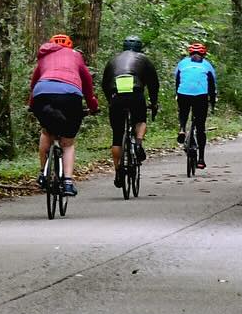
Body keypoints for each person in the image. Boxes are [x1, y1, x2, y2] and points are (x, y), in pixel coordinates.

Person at [27, 33, 98, 197]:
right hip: (70, 95)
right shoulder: (75, 55)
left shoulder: (44, 56)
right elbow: (86, 80)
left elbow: (34, 82)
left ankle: (43, 174)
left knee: (46, 131)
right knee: (67, 143)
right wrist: (92, 105)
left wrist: (33, 105)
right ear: (70, 45)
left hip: (42, 93)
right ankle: (67, 182)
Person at [101, 35, 160, 188]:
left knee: (117, 136)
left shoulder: (113, 60)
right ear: (140, 48)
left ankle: (118, 172)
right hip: (136, 94)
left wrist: (110, 101)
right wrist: (153, 103)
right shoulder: (144, 59)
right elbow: (154, 84)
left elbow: (104, 84)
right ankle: (138, 144)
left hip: (116, 96)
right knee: (140, 121)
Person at [174, 43, 216, 168]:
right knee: (200, 128)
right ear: (204, 54)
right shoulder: (207, 65)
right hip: (201, 96)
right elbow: (212, 86)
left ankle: (182, 128)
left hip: (183, 94)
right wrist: (212, 103)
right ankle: (201, 159)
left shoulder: (182, 63)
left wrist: (177, 93)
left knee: (183, 111)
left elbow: (177, 79)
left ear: (190, 53)